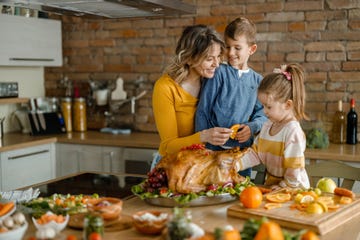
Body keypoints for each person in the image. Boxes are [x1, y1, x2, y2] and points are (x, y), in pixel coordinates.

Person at [151, 24, 233, 170]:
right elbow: (168, 146)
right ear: (189, 58)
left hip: (202, 167)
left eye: (218, 57)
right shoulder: (165, 87)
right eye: (209, 59)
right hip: (172, 168)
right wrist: (204, 136)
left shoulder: (212, 81)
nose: (216, 64)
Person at [195, 17, 267, 177]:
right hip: (213, 150)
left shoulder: (258, 81)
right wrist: (202, 146)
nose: (231, 53)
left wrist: (251, 127)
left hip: (241, 154)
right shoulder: (219, 73)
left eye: (237, 48)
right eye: (227, 47)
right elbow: (203, 110)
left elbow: (262, 115)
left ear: (252, 49)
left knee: (240, 193)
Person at [236, 63, 310, 189]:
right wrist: (236, 164)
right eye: (263, 105)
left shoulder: (292, 131)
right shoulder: (267, 125)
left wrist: (285, 186)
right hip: (273, 186)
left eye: (269, 106)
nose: (264, 111)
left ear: (287, 105)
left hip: (294, 190)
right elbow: (256, 153)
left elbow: (294, 167)